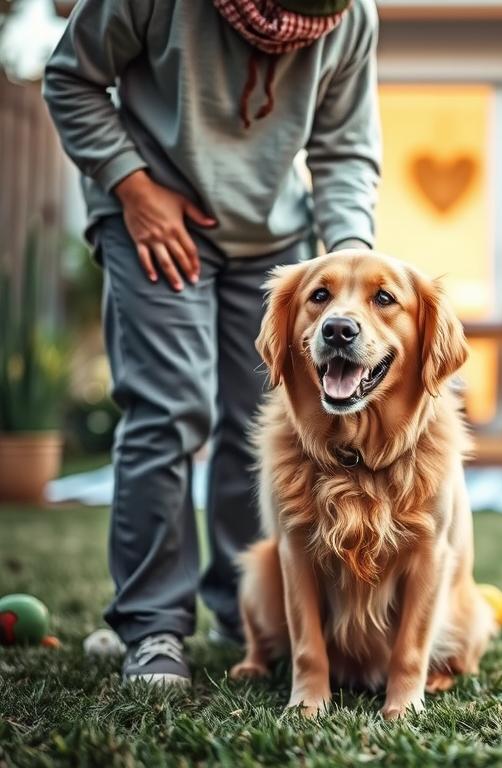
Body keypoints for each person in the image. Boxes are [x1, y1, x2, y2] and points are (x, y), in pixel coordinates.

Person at [43, 0, 381, 686]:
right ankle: (153, 626)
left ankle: (242, 613)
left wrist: (348, 268)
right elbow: (70, 78)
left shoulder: (352, 17)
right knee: (169, 411)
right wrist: (131, 185)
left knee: (263, 422)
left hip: (273, 241)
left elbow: (343, 147)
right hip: (154, 221)